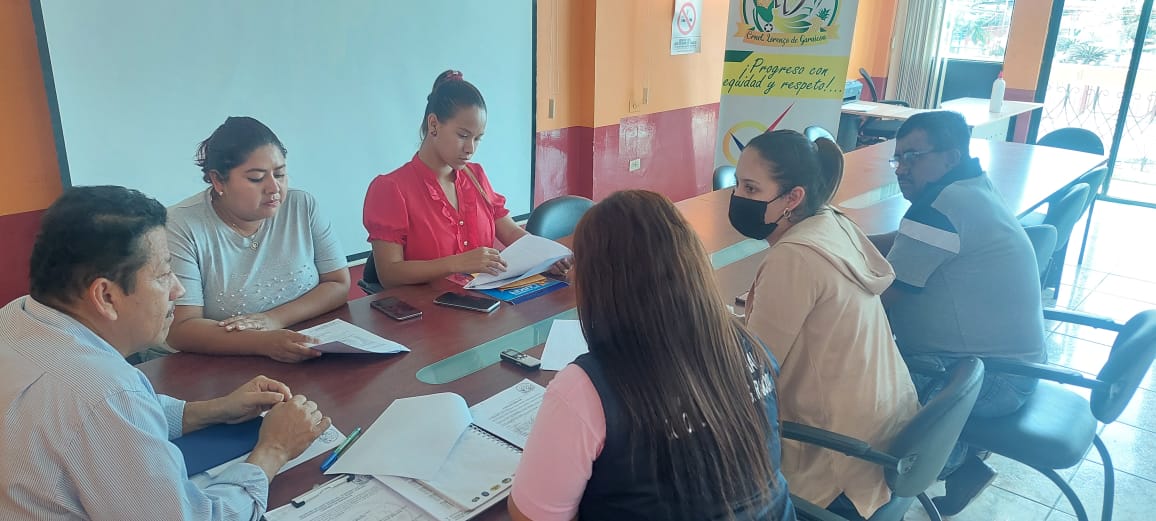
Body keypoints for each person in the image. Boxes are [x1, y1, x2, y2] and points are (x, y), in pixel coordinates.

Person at [0, 185, 331, 520]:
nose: (178, 289)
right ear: (106, 296)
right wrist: (274, 450)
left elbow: (99, 421)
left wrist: (213, 410)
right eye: (163, 274)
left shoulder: (17, 316)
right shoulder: (106, 392)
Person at [509, 190, 795, 521]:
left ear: (601, 282)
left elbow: (531, 516)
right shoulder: (743, 342)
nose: (573, 276)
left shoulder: (587, 390)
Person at [731, 130, 919, 519]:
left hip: (837, 463)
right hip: (886, 436)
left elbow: (752, 373)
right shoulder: (832, 222)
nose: (737, 197)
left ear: (793, 198)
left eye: (751, 188)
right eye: (736, 184)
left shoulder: (793, 258)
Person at [870, 110, 1047, 515]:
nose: (902, 168)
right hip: (1014, 370)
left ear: (950, 157)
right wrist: (843, 237)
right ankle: (963, 460)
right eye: (897, 158)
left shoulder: (939, 209)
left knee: (854, 389)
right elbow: (905, 241)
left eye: (913, 156)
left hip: (988, 381)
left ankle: (922, 472)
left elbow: (879, 300)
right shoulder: (969, 187)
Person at [165, 117, 350, 363]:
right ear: (218, 180)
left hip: (308, 346)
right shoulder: (180, 225)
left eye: (280, 174)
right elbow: (181, 328)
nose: (274, 188)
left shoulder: (302, 205)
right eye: (256, 178)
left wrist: (274, 320)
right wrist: (263, 342)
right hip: (218, 363)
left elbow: (338, 283)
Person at [363, 70, 568, 288]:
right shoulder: (391, 188)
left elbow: (510, 231)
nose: (470, 148)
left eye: (477, 139)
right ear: (433, 125)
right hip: (427, 306)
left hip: (483, 300)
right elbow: (389, 273)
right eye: (462, 135)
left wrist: (545, 256)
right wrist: (456, 263)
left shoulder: (476, 176)